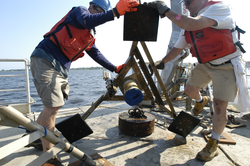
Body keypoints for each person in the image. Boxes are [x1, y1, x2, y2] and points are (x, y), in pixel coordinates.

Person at [30, 0, 139, 165]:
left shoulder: (88, 37)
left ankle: (36, 136)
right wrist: (115, 12)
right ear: (91, 7)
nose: (99, 14)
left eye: (103, 11)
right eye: (99, 11)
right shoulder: (80, 12)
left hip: (60, 68)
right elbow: (88, 20)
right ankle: (49, 158)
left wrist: (115, 68)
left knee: (54, 106)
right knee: (52, 106)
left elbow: (96, 54)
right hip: (45, 58)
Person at [145, 0, 246, 162]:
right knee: (189, 90)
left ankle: (214, 142)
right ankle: (201, 100)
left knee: (219, 106)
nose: (186, 6)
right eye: (184, 3)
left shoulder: (218, 9)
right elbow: (177, 48)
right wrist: (162, 62)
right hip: (205, 64)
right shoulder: (189, 24)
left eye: (189, 2)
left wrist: (166, 11)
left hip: (226, 65)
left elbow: (191, 24)